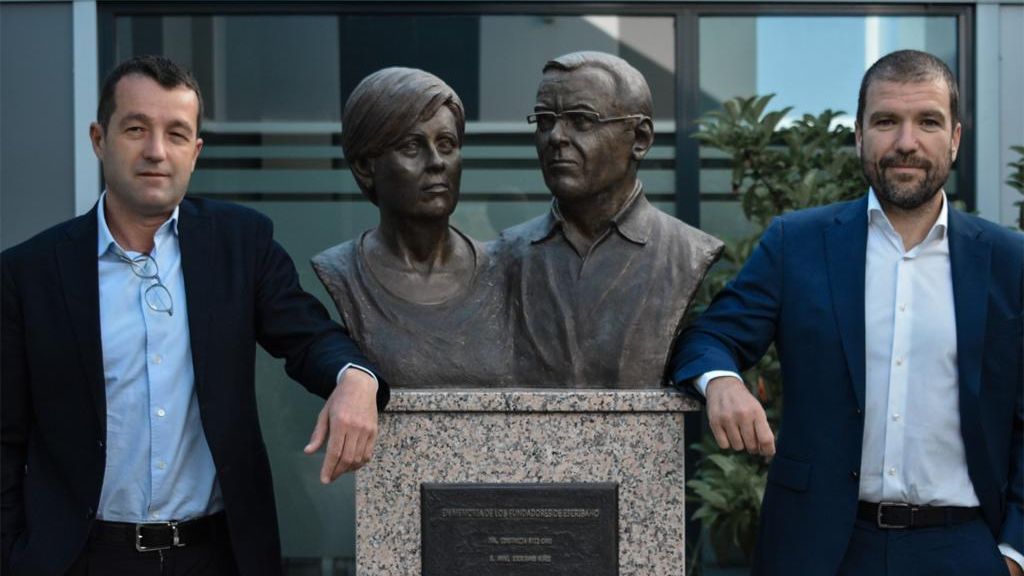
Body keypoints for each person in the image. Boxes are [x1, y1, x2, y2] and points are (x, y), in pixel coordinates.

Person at [1, 55, 389, 576]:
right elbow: (5, 437)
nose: (156, 152)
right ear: (99, 139)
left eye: (176, 134)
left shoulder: (238, 243)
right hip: (82, 558)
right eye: (136, 128)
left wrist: (355, 377)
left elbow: (307, 334)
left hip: (215, 555)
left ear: (195, 151)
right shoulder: (28, 274)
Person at [671, 49, 1023, 575]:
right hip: (818, 549)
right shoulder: (797, 243)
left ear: (954, 138)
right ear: (859, 134)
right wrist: (722, 382)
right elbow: (708, 337)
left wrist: (1013, 554)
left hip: (963, 550)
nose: (906, 142)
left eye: (928, 121)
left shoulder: (1009, 260)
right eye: (886, 121)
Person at [496, 51, 723, 388]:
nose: (556, 136)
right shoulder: (505, 254)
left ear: (640, 139)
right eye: (545, 121)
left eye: (582, 120)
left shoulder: (686, 252)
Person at [312, 67, 511, 388]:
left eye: (447, 144)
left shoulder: (504, 271)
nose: (436, 162)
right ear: (365, 167)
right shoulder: (341, 272)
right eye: (411, 147)